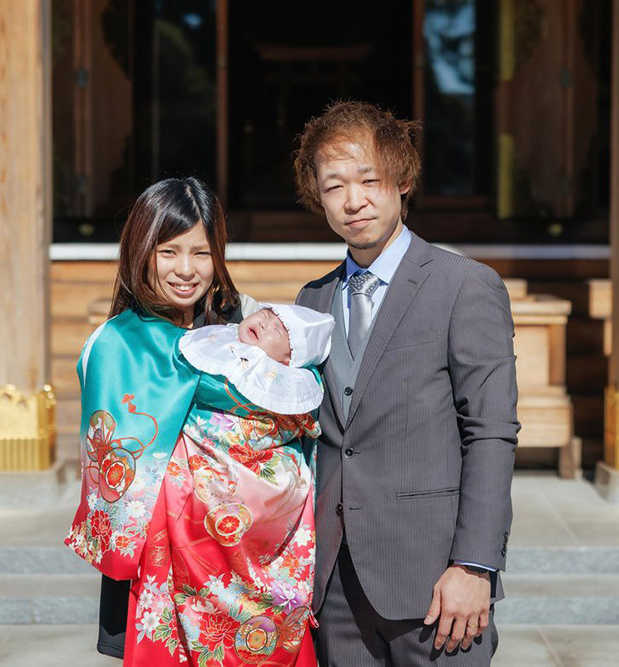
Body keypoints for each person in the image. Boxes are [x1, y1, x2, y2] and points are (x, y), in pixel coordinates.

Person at [65, 176, 329, 666]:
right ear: (141, 251)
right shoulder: (118, 344)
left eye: (201, 253)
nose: (186, 270)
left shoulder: (243, 320)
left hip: (252, 556)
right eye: (169, 252)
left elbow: (293, 407)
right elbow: (118, 465)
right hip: (161, 560)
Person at [293, 101, 520, 666]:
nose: (353, 201)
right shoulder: (312, 301)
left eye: (369, 180)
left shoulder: (464, 286)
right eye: (334, 186)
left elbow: (490, 432)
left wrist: (474, 567)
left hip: (437, 581)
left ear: (402, 181)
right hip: (335, 584)